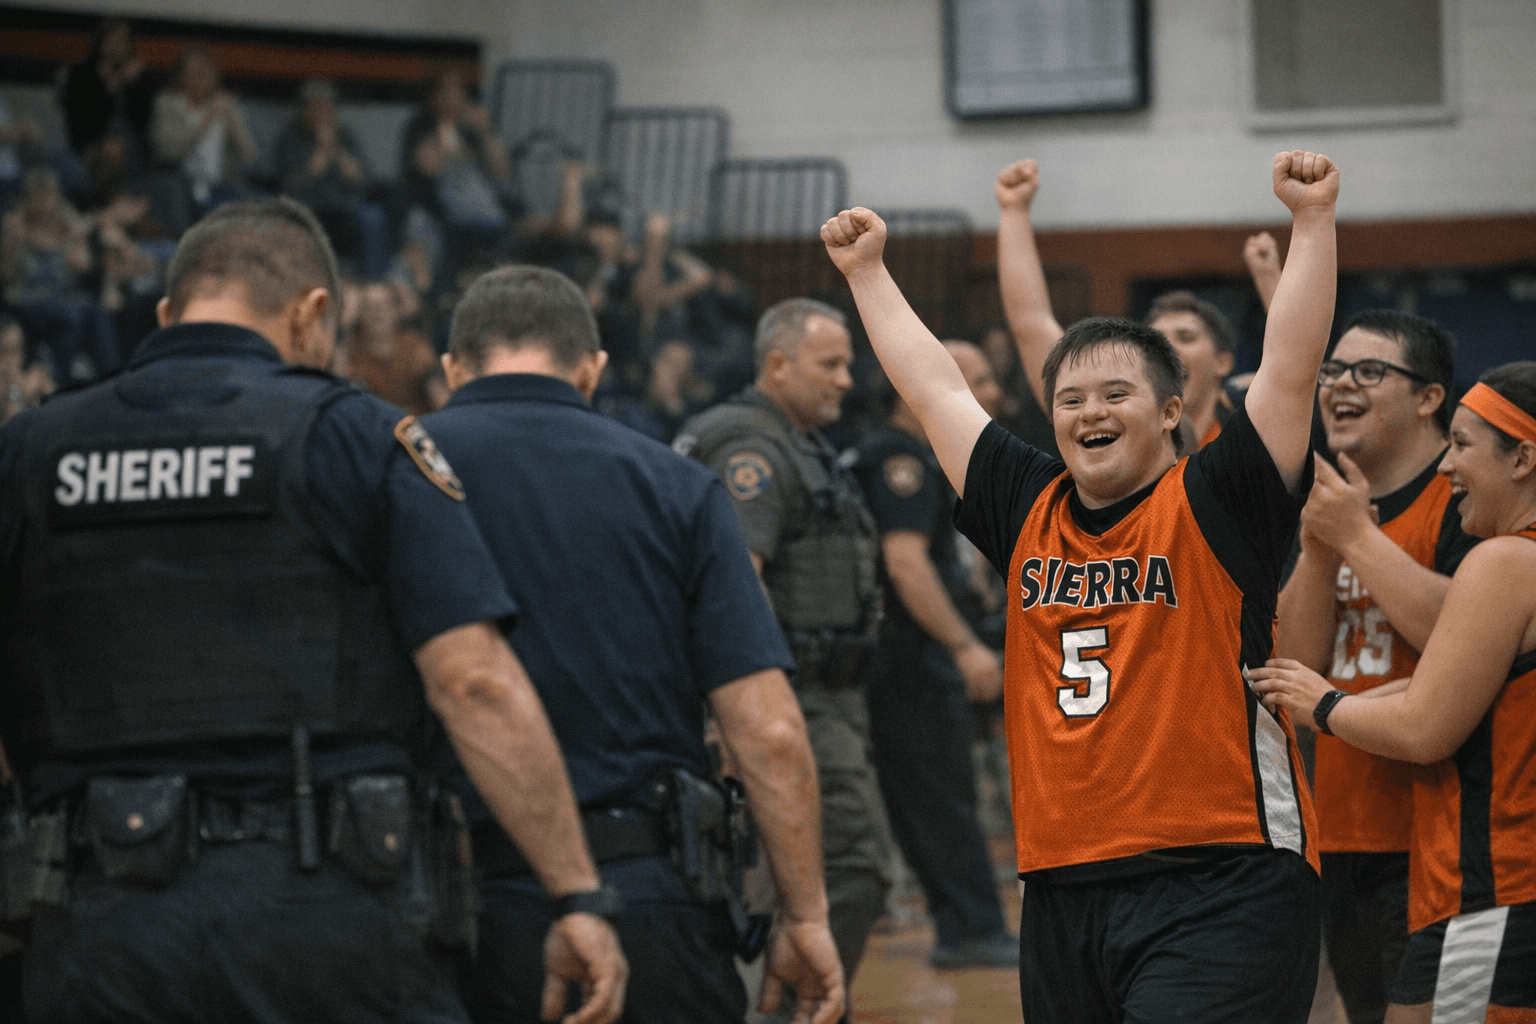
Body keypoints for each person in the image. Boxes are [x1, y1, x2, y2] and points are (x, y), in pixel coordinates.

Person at [0, 198, 625, 1024]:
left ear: (167, 313)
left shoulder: (30, 449)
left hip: (92, 918)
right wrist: (576, 894)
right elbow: (473, 682)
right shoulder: (358, 437)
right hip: (324, 914)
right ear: (311, 313)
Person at [821, 150, 1339, 1023]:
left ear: (1171, 413)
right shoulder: (1026, 503)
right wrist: (868, 274)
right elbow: (935, 388)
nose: (1089, 412)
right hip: (1064, 883)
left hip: (1226, 873)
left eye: (1114, 394)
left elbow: (1290, 365)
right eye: (1069, 400)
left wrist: (1313, 221)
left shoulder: (1219, 496)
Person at [420, 264, 844, 1024]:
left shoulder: (394, 471)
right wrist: (805, 913)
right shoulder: (676, 484)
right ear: (592, 368)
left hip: (447, 901)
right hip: (647, 888)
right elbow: (769, 730)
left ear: (452, 369)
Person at [1251, 361, 1536, 1024]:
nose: (1447, 466)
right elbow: (1461, 688)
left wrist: (1324, 705)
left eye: (1462, 444)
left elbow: (1424, 729)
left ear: (1523, 458)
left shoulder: (1505, 561)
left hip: (1495, 885)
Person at [674, 298, 893, 1003]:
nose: (846, 380)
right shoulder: (752, 449)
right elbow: (737, 584)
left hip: (823, 692)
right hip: (790, 698)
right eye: (830, 364)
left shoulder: (794, 439)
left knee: (823, 870)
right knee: (854, 864)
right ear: (777, 365)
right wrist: (742, 712)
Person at [1275, 310, 1478, 1024]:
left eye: (1368, 372)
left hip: (1442, 833)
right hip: (1341, 827)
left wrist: (1356, 537)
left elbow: (1470, 636)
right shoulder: (1330, 505)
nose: (1340, 386)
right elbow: (1295, 668)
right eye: (1332, 371)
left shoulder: (1465, 499)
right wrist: (1320, 550)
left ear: (1429, 397)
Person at [845, 340, 1017, 969]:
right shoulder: (901, 461)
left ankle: (964, 924)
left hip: (893, 658)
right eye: (977, 379)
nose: (992, 393)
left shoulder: (886, 452)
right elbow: (905, 564)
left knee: (927, 796)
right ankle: (971, 928)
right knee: (941, 794)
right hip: (911, 659)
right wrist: (965, 645)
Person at [995, 159, 1245, 450]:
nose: (1169, 347)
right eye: (1157, 340)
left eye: (1186, 337)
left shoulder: (1248, 434)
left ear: (1222, 362)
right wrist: (1014, 211)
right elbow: (1032, 322)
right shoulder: (1109, 431)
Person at [276, 78, 392, 278]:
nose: (320, 113)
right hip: (309, 207)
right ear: (303, 109)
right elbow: (290, 187)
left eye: (325, 108)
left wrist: (336, 150)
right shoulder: (291, 138)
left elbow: (363, 179)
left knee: (373, 216)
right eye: (314, 107)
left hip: (345, 206)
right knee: (292, 221)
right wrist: (320, 152)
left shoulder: (345, 136)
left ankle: (373, 283)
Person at [148, 45, 259, 233]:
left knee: (259, 206)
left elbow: (249, 157)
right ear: (180, 76)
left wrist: (231, 122)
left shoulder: (226, 105)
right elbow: (168, 152)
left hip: (220, 183)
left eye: (205, 70)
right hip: (179, 181)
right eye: (193, 71)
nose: (200, 76)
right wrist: (207, 120)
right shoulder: (167, 103)